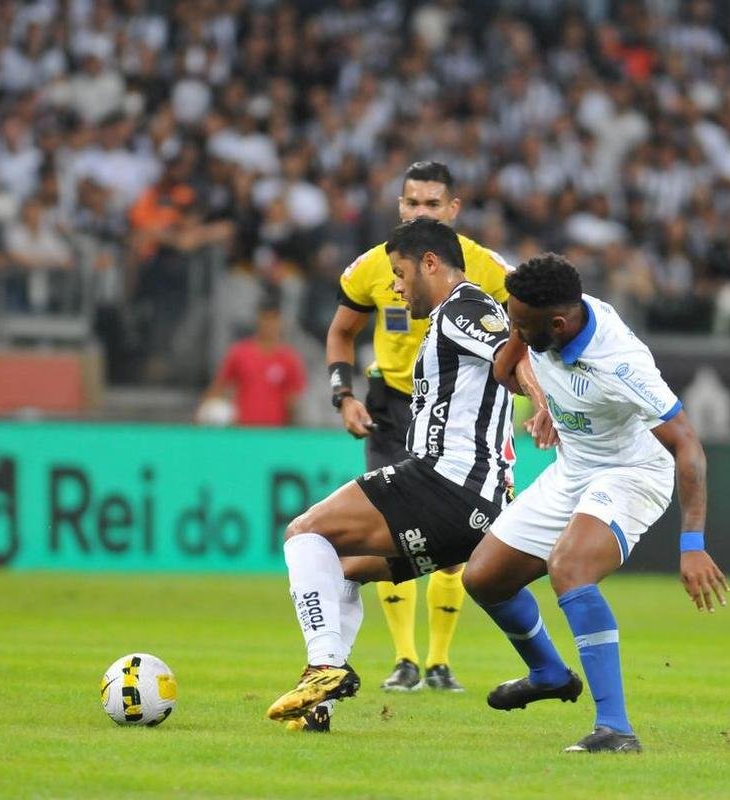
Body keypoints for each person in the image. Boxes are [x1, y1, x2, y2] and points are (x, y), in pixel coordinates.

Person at [267, 218, 538, 732]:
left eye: (399, 273)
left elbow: (509, 359)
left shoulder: (465, 305)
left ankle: (325, 666)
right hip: (474, 509)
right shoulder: (454, 314)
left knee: (303, 533)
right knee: (343, 567)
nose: (394, 286)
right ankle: (319, 701)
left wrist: (542, 407)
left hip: (446, 483)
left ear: (429, 264)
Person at [462, 253, 728, 754]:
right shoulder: (542, 320)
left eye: (520, 322)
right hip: (575, 467)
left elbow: (688, 444)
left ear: (558, 324)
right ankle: (547, 674)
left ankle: (616, 729)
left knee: (570, 568)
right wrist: (544, 403)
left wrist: (692, 543)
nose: (511, 329)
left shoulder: (619, 363)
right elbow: (504, 369)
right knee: (483, 578)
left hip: (632, 472)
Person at [326, 161, 513, 693]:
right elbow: (341, 332)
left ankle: (439, 661)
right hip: (392, 406)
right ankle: (405, 659)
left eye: (432, 204)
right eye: (411, 203)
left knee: (455, 546)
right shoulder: (372, 267)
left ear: (454, 209)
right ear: (399, 206)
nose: (420, 212)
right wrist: (342, 395)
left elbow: (516, 340)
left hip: (458, 415)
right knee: (386, 533)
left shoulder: (486, 268)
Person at [196, 303, 307, 427]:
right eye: (266, 319)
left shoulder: (289, 359)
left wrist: (291, 427)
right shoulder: (239, 353)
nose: (269, 325)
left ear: (281, 323)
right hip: (243, 428)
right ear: (258, 321)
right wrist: (204, 409)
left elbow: (292, 400)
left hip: (274, 430)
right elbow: (220, 385)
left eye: (274, 320)